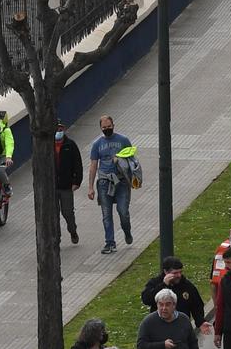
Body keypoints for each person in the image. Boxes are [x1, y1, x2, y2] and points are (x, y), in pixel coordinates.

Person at [86, 113, 137, 253]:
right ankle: (110, 242)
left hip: (121, 181)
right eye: (104, 127)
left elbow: (132, 160)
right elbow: (93, 165)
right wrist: (90, 187)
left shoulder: (123, 140)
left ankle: (127, 231)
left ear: (113, 126)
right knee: (106, 214)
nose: (107, 129)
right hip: (104, 182)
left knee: (123, 211)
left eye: (109, 126)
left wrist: (121, 161)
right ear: (100, 128)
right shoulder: (97, 144)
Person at [139, 256, 208, 330]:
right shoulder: (155, 283)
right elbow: (146, 299)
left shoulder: (186, 285)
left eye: (180, 272)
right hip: (159, 327)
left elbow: (196, 305)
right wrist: (163, 285)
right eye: (175, 273)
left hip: (181, 327)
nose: (179, 275)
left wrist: (200, 322)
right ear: (166, 272)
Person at [53, 121, 82, 242]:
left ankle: (72, 230)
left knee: (67, 211)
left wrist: (77, 182)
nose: (58, 132)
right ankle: (57, 237)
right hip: (52, 186)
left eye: (60, 129)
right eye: (56, 130)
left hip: (66, 186)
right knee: (53, 214)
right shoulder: (47, 146)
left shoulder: (70, 145)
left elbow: (78, 164)